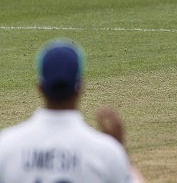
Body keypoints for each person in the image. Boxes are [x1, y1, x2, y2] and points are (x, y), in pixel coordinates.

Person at [0, 39, 143, 182]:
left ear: (40, 88)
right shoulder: (105, 152)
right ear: (80, 88)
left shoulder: (6, 146)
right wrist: (120, 151)